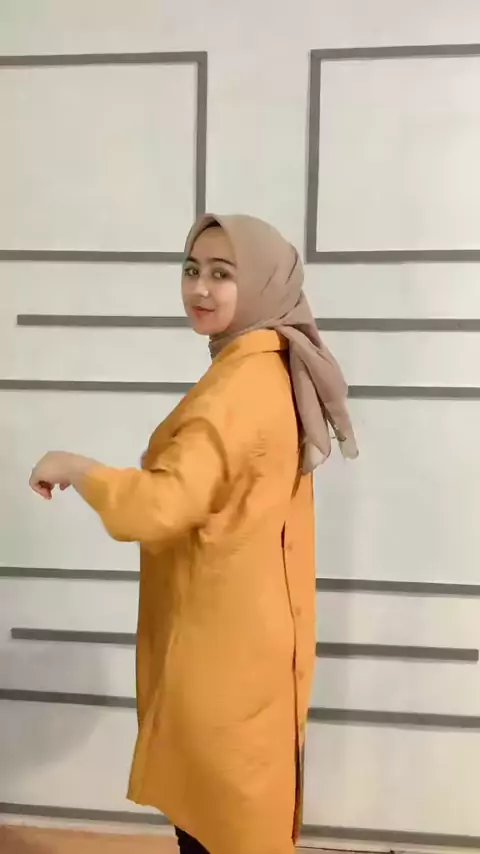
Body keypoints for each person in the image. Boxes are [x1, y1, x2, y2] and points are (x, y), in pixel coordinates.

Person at [29, 214, 357, 854]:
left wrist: (76, 467)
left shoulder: (235, 392)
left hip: (221, 646)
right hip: (255, 631)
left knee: (215, 824)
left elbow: (156, 508)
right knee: (235, 818)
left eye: (222, 274)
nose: (200, 289)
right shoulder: (274, 366)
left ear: (261, 282)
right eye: (191, 269)